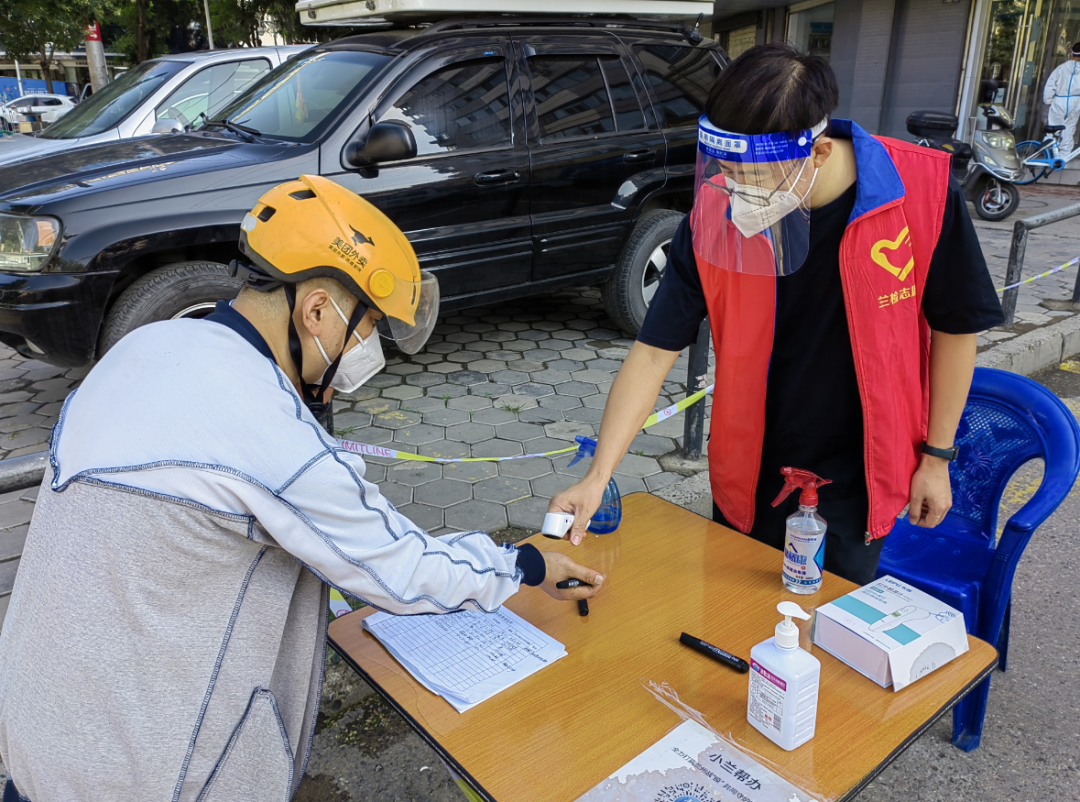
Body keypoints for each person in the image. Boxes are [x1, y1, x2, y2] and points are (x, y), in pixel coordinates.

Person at [0, 175, 602, 802]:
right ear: (317, 310)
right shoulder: (264, 427)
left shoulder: (147, 348)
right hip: (145, 775)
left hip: (41, 738)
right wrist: (525, 563)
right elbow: (399, 569)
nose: (370, 352)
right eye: (368, 329)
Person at [548, 44, 1004, 586]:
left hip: (864, 466)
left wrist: (937, 458)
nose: (739, 191)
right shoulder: (716, 213)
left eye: (757, 177)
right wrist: (599, 476)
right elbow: (653, 352)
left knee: (828, 634)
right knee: (733, 613)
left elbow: (955, 329)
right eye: (728, 172)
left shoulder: (920, 194)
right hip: (752, 463)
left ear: (817, 152)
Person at [1043, 43, 1080, 154]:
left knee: (1053, 129)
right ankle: (1063, 157)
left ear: (1071, 53)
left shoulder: (1061, 68)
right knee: (1069, 130)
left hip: (1059, 100)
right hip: (1076, 101)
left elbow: (1050, 85)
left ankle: (1047, 153)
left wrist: (1048, 100)